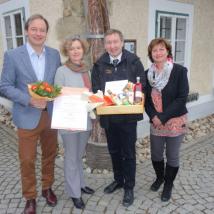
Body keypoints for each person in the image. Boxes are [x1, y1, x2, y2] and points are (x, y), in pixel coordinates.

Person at [0, 14, 61, 214]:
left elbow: (57, 83)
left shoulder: (54, 55)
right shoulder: (13, 55)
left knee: (50, 155)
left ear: (46, 33)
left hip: (50, 115)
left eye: (42, 30)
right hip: (27, 115)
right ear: (27, 31)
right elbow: (4, 86)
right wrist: (29, 99)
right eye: (34, 29)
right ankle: (30, 196)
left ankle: (47, 187)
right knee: (27, 159)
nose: (38, 33)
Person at [91, 29, 146, 207]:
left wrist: (133, 96)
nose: (112, 46)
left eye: (115, 42)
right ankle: (118, 180)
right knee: (114, 151)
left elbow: (141, 86)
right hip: (109, 118)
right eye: (109, 42)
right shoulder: (99, 64)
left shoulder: (134, 61)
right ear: (105, 44)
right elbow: (96, 89)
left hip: (128, 118)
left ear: (122, 42)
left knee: (128, 153)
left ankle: (129, 186)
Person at [145, 38, 189, 202]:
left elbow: (181, 98)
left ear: (167, 51)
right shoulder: (147, 74)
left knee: (172, 155)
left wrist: (162, 117)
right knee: (156, 155)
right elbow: (146, 101)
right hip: (156, 121)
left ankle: (168, 184)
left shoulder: (179, 71)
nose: (158, 53)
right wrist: (153, 116)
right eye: (154, 50)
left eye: (161, 49)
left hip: (174, 121)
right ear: (151, 54)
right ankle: (160, 177)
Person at [54, 36, 94, 209]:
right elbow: (58, 96)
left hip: (84, 120)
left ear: (83, 50)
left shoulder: (86, 70)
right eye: (72, 48)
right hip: (69, 121)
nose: (76, 51)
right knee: (71, 157)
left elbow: (88, 94)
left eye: (78, 47)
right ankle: (74, 193)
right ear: (67, 52)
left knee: (79, 155)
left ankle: (80, 184)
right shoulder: (61, 71)